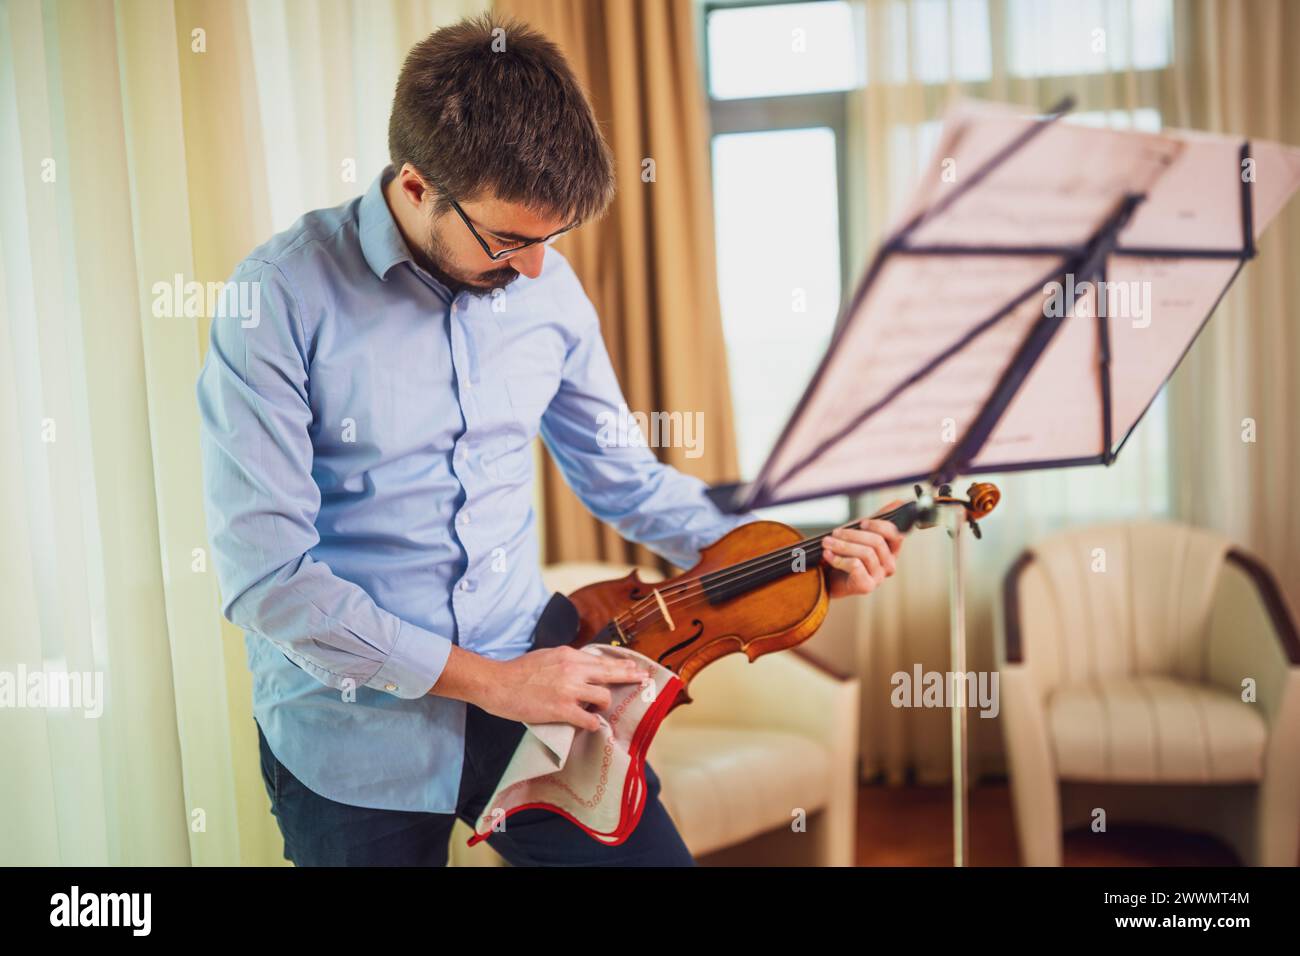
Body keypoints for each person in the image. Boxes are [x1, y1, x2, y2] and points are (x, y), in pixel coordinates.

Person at [196, 12, 903, 867]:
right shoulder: (277, 298)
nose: (534, 268)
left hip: (536, 676)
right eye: (509, 239)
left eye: (552, 238)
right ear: (416, 186)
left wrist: (796, 563)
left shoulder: (548, 288)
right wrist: (492, 683)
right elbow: (270, 580)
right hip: (350, 730)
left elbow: (626, 481)